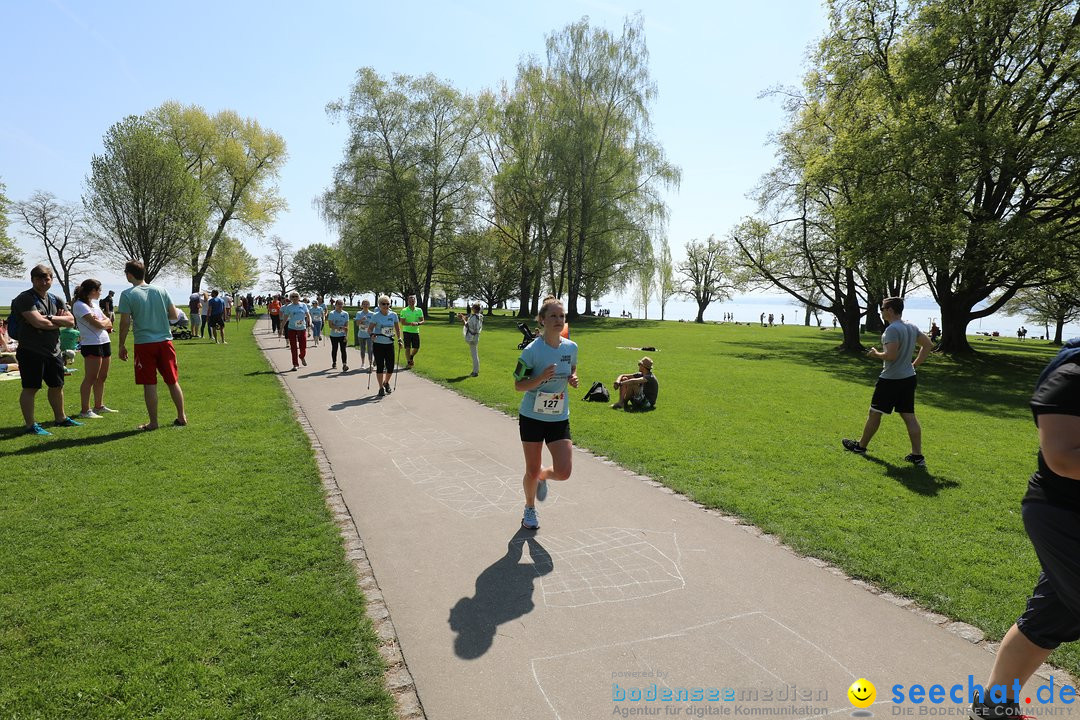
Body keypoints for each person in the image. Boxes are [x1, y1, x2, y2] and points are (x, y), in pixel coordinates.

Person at [968, 338, 1080, 720]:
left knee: (1052, 615)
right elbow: (1064, 457)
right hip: (1065, 514)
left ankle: (993, 708)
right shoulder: (1071, 377)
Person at [513, 297, 579, 530]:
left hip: (558, 416)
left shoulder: (571, 347)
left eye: (561, 316)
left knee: (563, 472)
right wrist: (540, 378)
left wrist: (572, 378)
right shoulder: (532, 351)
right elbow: (518, 385)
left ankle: (543, 477)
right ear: (542, 320)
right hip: (532, 416)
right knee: (531, 469)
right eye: (553, 316)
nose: (558, 320)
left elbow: (571, 368)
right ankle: (529, 509)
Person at [842, 297, 933, 465]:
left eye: (883, 308)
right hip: (908, 378)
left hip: (891, 380)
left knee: (875, 412)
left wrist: (875, 354)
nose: (881, 311)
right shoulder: (911, 327)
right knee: (909, 416)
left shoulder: (892, 330)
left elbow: (891, 356)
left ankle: (860, 447)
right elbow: (927, 345)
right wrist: (914, 365)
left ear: (890, 310)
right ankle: (917, 455)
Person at [12, 264, 82, 436]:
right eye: (39, 278)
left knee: (57, 385)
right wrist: (58, 321)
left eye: (47, 278)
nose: (43, 282)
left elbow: (71, 321)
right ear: (33, 280)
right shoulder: (25, 299)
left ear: (51, 279)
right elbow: (38, 322)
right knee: (31, 387)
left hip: (54, 350)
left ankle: (61, 418)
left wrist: (50, 318)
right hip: (31, 350)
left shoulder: (55, 298)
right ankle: (30, 425)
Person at [71, 278, 117, 418]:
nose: (100, 293)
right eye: (99, 290)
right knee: (91, 377)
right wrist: (104, 322)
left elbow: (109, 320)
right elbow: (98, 324)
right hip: (91, 344)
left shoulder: (94, 304)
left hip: (104, 342)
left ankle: (99, 406)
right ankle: (85, 410)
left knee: (102, 377)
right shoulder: (79, 305)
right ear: (92, 291)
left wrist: (104, 322)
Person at [367, 295, 402, 396]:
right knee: (380, 367)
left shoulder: (393, 315)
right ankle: (380, 388)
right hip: (378, 344)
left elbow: (397, 329)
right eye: (383, 304)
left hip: (389, 344)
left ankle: (386, 382)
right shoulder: (375, 316)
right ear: (379, 305)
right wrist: (371, 335)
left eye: (387, 304)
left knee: (390, 367)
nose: (386, 306)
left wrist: (399, 339)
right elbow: (369, 329)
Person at [280, 292, 311, 371]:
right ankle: (295, 364)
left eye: (296, 296)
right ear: (290, 298)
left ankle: (302, 356)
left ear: (299, 297)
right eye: (292, 297)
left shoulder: (303, 305)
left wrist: (309, 322)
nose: (294, 298)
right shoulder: (289, 307)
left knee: (303, 346)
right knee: (293, 347)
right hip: (292, 328)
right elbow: (285, 319)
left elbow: (308, 315)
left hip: (302, 328)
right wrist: (281, 329)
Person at [400, 294, 424, 369]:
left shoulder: (419, 310)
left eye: (413, 301)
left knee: (416, 348)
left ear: (415, 301)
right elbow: (402, 322)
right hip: (406, 331)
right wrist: (410, 323)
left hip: (415, 331)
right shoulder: (404, 310)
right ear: (408, 301)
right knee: (407, 348)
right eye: (410, 301)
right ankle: (409, 362)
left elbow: (422, 320)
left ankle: (411, 356)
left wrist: (418, 323)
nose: (411, 302)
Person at [460, 302, 484, 376]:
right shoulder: (480, 316)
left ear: (474, 309)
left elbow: (467, 325)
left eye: (472, 307)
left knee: (474, 355)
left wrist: (462, 319)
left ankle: (475, 371)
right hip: (476, 337)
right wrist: (464, 317)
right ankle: (476, 370)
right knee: (474, 354)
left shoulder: (474, 317)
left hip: (472, 337)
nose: (471, 308)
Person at [327, 299, 350, 372]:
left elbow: (346, 326)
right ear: (335, 305)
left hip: (342, 335)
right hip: (334, 335)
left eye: (341, 304)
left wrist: (346, 336)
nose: (340, 306)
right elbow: (330, 325)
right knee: (335, 349)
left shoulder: (345, 314)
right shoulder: (332, 313)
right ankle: (334, 362)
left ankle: (344, 364)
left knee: (343, 350)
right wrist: (339, 327)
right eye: (339, 304)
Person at [354, 299, 373, 369]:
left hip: (369, 334)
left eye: (367, 304)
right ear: (362, 305)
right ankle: (363, 363)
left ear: (369, 305)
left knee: (370, 349)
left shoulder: (372, 314)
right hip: (361, 334)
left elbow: (374, 324)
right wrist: (361, 319)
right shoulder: (359, 313)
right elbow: (357, 323)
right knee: (362, 349)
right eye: (364, 304)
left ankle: (371, 364)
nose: (365, 305)